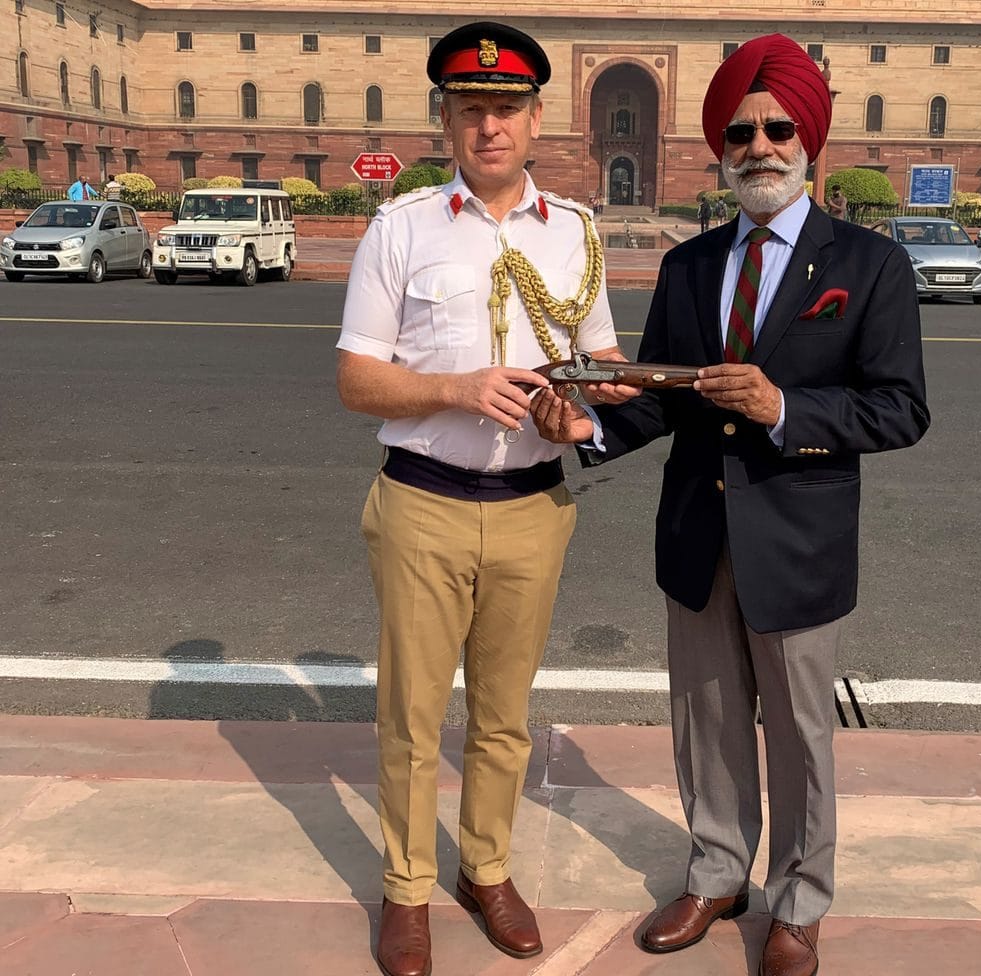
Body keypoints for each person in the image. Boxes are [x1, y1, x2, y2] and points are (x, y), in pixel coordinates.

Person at [531, 33, 929, 976]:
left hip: (798, 540)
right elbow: (664, 396)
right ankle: (716, 872)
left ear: (809, 139)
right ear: (720, 146)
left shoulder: (868, 264)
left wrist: (785, 407)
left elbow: (900, 408)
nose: (759, 146)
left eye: (777, 129)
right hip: (698, 532)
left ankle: (799, 902)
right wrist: (587, 427)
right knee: (705, 723)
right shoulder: (693, 265)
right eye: (741, 132)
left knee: (798, 736)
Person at [335, 21, 623, 976]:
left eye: (506, 108)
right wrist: (457, 388)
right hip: (424, 502)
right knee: (413, 717)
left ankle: (486, 869)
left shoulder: (575, 231)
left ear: (537, 119)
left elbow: (599, 355)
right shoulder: (402, 227)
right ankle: (407, 887)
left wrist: (583, 411)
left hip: (534, 506)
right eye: (470, 109)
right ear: (446, 121)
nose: (488, 126)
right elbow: (357, 379)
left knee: (504, 714)